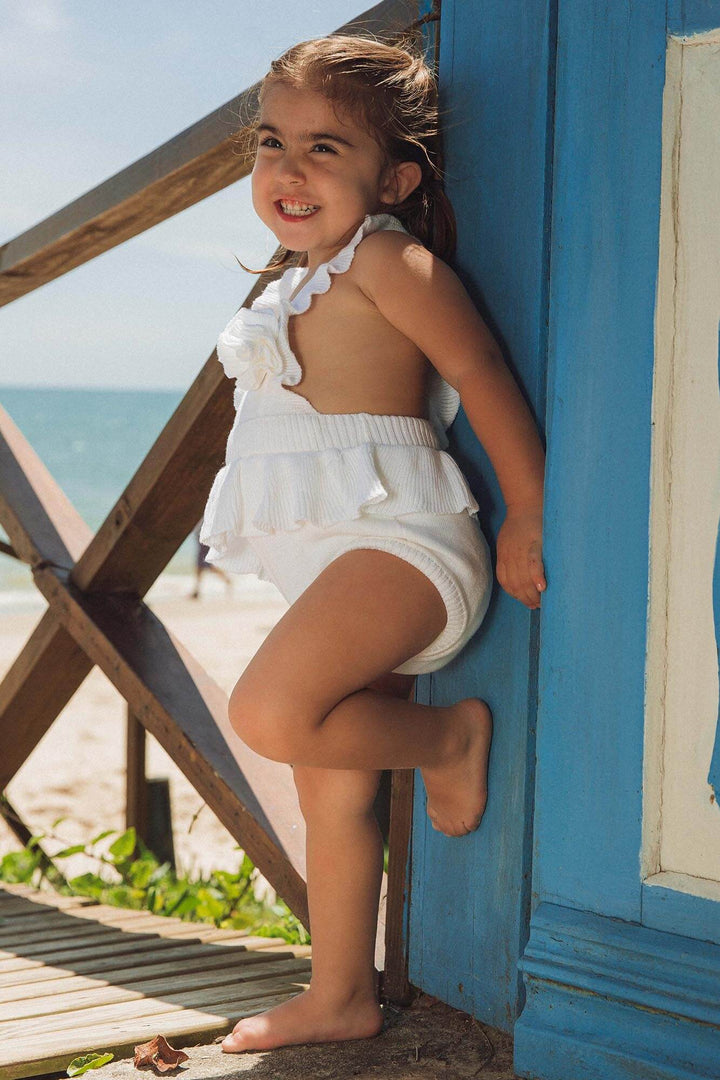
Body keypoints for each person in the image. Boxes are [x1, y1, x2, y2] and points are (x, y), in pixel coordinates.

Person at [200, 33, 546, 1054]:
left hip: (401, 546)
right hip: (331, 562)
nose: (288, 170)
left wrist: (525, 510)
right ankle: (340, 993)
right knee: (329, 783)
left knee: (270, 712)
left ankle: (451, 739)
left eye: (325, 148)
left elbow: (481, 376)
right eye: (272, 142)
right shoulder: (290, 287)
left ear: (394, 175)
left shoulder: (390, 260)